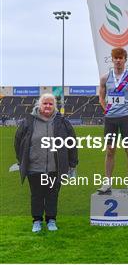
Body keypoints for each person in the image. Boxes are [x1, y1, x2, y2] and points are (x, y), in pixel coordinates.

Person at [14, 93, 78, 233]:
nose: (48, 106)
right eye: (45, 103)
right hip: (34, 167)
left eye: (50, 104)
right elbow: (18, 141)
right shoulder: (29, 121)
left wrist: (72, 164)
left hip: (55, 168)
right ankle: (37, 221)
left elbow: (72, 143)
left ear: (54, 106)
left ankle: (51, 220)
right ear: (39, 105)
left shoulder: (62, 122)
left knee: (52, 195)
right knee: (36, 195)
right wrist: (22, 160)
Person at [97, 47, 128, 195]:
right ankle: (107, 182)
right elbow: (101, 98)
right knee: (110, 151)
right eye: (115, 58)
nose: (118, 60)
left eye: (120, 58)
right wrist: (106, 110)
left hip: (125, 118)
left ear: (125, 59)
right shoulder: (105, 78)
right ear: (112, 59)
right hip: (110, 119)